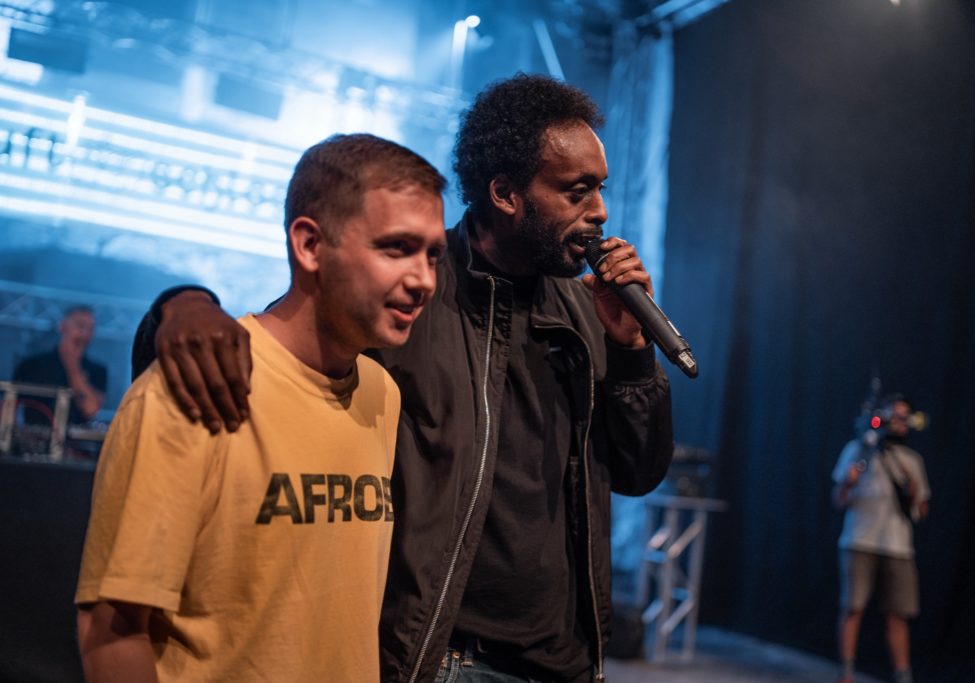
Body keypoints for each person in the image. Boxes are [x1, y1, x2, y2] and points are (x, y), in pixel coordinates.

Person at [134, 73, 674, 682]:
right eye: (577, 191)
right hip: (443, 657)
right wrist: (182, 304)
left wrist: (631, 350)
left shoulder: (586, 311)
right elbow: (284, 349)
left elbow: (638, 473)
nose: (599, 211)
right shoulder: (410, 297)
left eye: (600, 188)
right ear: (505, 193)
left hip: (565, 662)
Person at [75, 134, 448, 682]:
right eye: (396, 248)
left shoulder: (381, 393)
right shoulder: (190, 388)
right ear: (310, 245)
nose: (424, 280)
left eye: (433, 254)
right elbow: (112, 632)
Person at [832, 394, 931, 683]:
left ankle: (903, 675)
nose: (898, 422)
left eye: (904, 417)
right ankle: (846, 674)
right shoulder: (858, 450)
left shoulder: (912, 461)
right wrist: (848, 482)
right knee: (853, 607)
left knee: (899, 613)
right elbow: (838, 500)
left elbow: (922, 511)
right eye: (893, 415)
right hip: (858, 540)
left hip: (898, 546)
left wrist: (913, 493)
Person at [14, 306, 107, 426]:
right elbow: (10, 404)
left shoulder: (98, 370)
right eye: (80, 325)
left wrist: (73, 366)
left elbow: (91, 409)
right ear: (62, 326)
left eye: (91, 328)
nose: (85, 333)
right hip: (33, 435)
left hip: (75, 436)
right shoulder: (32, 365)